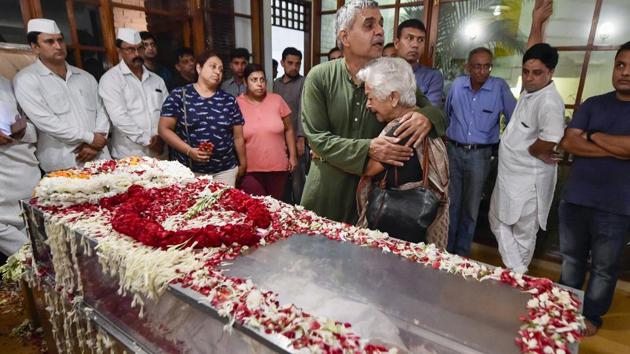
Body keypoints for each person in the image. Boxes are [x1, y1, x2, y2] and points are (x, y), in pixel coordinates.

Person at [301, 0, 445, 225]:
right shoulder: (319, 77)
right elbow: (317, 139)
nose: (379, 31)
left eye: (380, 24)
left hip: (374, 199)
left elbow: (435, 112)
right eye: (369, 25)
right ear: (345, 37)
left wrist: (426, 117)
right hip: (326, 193)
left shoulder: (394, 75)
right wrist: (369, 148)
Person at [558, 41, 630, 336]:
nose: (625, 72)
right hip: (576, 198)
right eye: (621, 65)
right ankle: (564, 307)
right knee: (571, 260)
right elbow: (569, 142)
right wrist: (615, 147)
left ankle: (592, 316)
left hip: (617, 204)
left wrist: (592, 136)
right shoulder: (593, 103)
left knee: (604, 267)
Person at [356, 58, 449, 247]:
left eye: (371, 98)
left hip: (396, 229)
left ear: (394, 98)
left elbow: (370, 168)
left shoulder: (403, 129)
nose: (368, 105)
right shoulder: (421, 120)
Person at [489, 43, 564, 274]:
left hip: (528, 182)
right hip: (510, 177)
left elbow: (551, 138)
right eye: (526, 71)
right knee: (497, 219)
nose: (529, 78)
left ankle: (517, 275)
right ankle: (517, 271)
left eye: (537, 72)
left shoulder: (549, 101)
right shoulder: (531, 92)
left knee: (523, 233)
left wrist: (534, 151)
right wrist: (537, 21)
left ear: (550, 73)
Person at [444, 47, 516, 256]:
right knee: (451, 203)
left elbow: (514, 119)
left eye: (487, 66)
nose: (482, 71)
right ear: (468, 67)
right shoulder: (457, 86)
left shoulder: (499, 87)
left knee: (471, 207)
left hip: (480, 155)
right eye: (477, 66)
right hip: (454, 151)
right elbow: (446, 114)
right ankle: (447, 252)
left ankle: (462, 253)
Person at [14, 18, 110, 173]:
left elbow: (103, 110)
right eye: (49, 42)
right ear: (35, 47)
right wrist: (90, 138)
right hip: (64, 160)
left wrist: (96, 141)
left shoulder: (85, 76)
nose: (58, 46)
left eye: (60, 40)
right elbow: (45, 121)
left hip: (99, 157)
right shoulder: (26, 79)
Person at [159, 50, 246, 186]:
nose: (217, 72)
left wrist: (243, 163)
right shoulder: (179, 95)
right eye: (213, 66)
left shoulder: (229, 100)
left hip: (225, 171)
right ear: (199, 68)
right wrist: (189, 150)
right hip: (189, 172)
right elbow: (164, 129)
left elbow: (238, 136)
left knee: (224, 206)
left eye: (221, 69)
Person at [99, 28, 168, 160]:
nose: (137, 53)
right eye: (130, 49)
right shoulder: (110, 79)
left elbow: (167, 112)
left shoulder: (157, 80)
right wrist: (148, 141)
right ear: (119, 51)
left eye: (140, 48)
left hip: (160, 151)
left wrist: (162, 137)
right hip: (129, 156)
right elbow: (119, 117)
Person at [237, 64, 298, 200]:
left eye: (262, 80)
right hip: (250, 168)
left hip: (278, 167)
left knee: (275, 207)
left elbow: (289, 129)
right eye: (254, 80)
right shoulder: (237, 104)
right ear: (245, 82)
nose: (259, 84)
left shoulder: (277, 100)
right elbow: (234, 136)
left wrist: (292, 156)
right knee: (257, 206)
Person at [0, 75, 40, 258]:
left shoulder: (5, 82)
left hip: (26, 167)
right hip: (3, 178)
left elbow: (33, 128)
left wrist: (21, 130)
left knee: (35, 223)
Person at [273, 47, 306, 203]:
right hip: (278, 139)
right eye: (290, 63)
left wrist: (301, 137)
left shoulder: (303, 82)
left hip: (296, 138)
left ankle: (302, 212)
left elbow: (303, 111)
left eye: (298, 64)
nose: (294, 67)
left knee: (298, 180)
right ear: (282, 63)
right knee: (281, 178)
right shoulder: (275, 85)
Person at [394, 19, 444, 107]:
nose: (415, 45)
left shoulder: (433, 76)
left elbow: (430, 113)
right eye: (410, 38)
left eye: (420, 40)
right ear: (397, 43)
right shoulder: (384, 71)